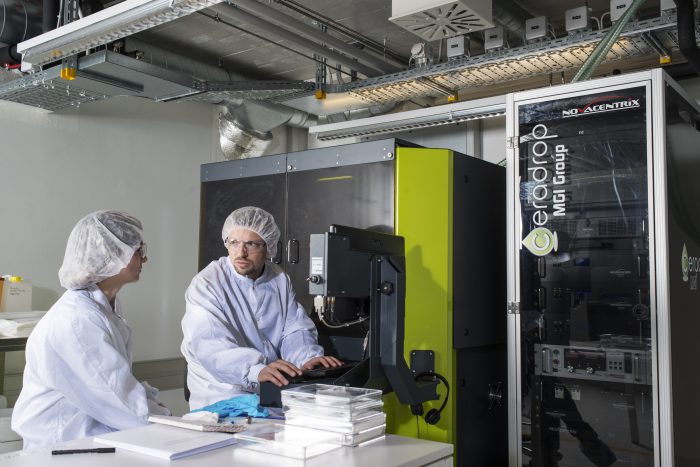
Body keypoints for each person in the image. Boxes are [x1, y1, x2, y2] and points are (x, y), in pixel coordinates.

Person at [12, 211, 170, 449]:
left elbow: (117, 384)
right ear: (112, 255)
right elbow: (121, 402)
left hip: (86, 440)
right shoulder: (77, 320)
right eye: (138, 251)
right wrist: (174, 423)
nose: (144, 259)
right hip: (59, 447)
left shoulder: (102, 307)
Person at [181, 206, 341, 410]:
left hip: (268, 389)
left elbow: (294, 328)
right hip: (221, 394)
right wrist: (254, 370)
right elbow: (212, 346)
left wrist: (308, 358)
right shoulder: (208, 283)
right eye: (234, 242)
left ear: (269, 246)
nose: (241, 252)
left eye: (251, 244)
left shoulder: (279, 278)